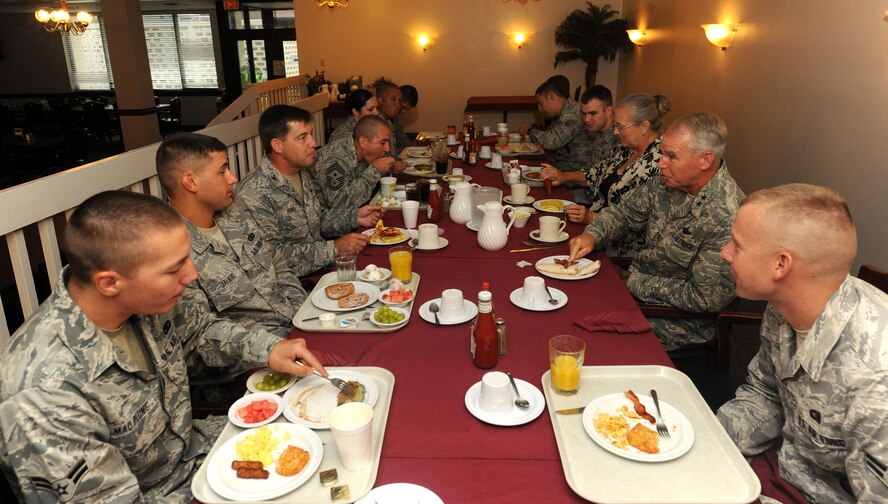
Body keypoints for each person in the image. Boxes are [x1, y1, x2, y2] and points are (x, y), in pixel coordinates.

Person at [0, 191, 325, 502]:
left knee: (326, 439)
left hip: (200, 451)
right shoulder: (41, 391)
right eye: (174, 268)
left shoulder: (149, 299)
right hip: (170, 493)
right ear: (110, 282)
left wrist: (268, 349)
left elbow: (201, 332)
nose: (192, 274)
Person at [717, 184, 888, 503]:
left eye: (737, 245)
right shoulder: (784, 304)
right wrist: (705, 442)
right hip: (781, 467)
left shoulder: (876, 382)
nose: (724, 252)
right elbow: (764, 394)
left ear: (780, 265)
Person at [568, 112, 743, 351]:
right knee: (569, 300)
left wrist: (635, 283)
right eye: (662, 153)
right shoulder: (668, 181)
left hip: (675, 321)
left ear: (705, 160)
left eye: (672, 156)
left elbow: (706, 297)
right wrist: (593, 234)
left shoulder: (727, 214)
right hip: (637, 289)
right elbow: (624, 212)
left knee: (580, 334)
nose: (661, 163)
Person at [157, 132, 305, 338]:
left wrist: (302, 314)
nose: (233, 178)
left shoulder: (235, 212)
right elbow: (203, 337)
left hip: (297, 325)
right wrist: (273, 348)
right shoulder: (170, 252)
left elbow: (277, 264)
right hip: (256, 359)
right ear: (191, 182)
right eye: (222, 171)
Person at [233, 105, 381, 277]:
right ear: (278, 146)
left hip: (323, 269)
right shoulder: (253, 193)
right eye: (303, 138)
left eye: (311, 134)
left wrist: (353, 217)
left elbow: (317, 220)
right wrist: (333, 248)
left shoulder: (301, 173)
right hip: (293, 287)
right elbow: (270, 258)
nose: (314, 143)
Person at [543, 93, 670, 257]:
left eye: (620, 127)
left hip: (621, 251)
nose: (615, 132)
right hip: (595, 231)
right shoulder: (626, 148)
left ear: (644, 127)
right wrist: (564, 176)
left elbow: (641, 221)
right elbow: (598, 172)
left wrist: (592, 217)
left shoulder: (659, 163)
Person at [519, 80, 594, 203]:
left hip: (575, 182)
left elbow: (551, 141)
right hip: (565, 171)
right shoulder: (564, 112)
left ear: (552, 97)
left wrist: (530, 131)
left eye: (541, 103)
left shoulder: (572, 114)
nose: (540, 109)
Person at [313, 115, 405, 210]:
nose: (387, 148)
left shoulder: (363, 153)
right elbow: (338, 204)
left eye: (388, 142)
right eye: (382, 143)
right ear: (363, 142)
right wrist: (374, 172)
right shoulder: (336, 159)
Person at [375, 81, 410, 163]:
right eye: (393, 99)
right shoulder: (374, 123)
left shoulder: (390, 120)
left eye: (400, 100)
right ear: (380, 100)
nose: (398, 104)